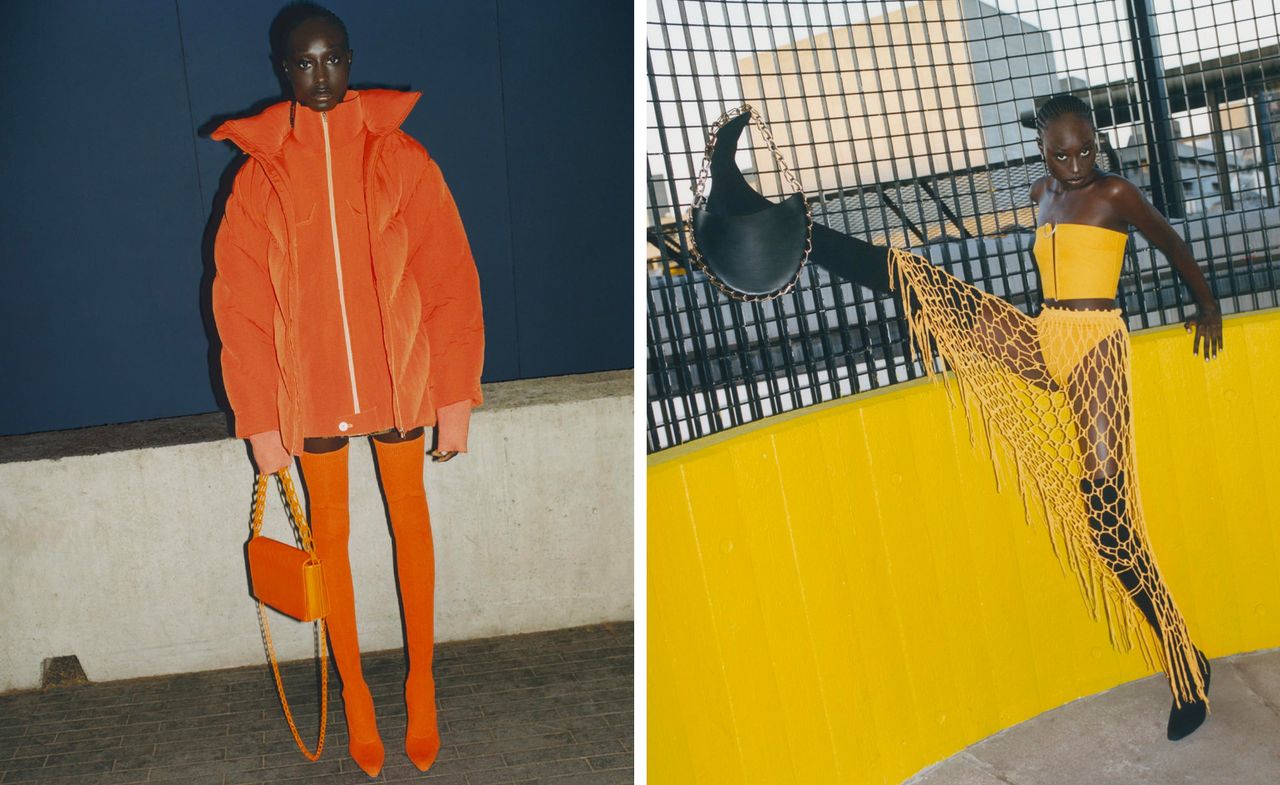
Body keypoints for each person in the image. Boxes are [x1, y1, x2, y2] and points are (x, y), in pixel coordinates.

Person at [698, 94, 1219, 740]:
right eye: (1061, 153)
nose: (1076, 162)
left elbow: (1171, 242)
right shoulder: (1043, 193)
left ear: (1097, 141)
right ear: (1042, 151)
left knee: (1108, 518)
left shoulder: (1115, 194)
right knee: (925, 286)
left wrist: (1208, 306)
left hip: (1094, 348)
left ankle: (1183, 658)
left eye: (1085, 148)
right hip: (1046, 336)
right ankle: (779, 223)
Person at [210, 2, 484, 776]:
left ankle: (422, 684)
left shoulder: (402, 155)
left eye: (332, 59)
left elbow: (449, 277)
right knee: (330, 546)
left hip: (402, 379)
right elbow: (240, 306)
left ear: (352, 60)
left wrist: (455, 394)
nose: (320, 75)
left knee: (412, 530)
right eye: (304, 62)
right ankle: (357, 694)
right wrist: (260, 418)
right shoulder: (258, 172)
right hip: (314, 386)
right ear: (282, 70)